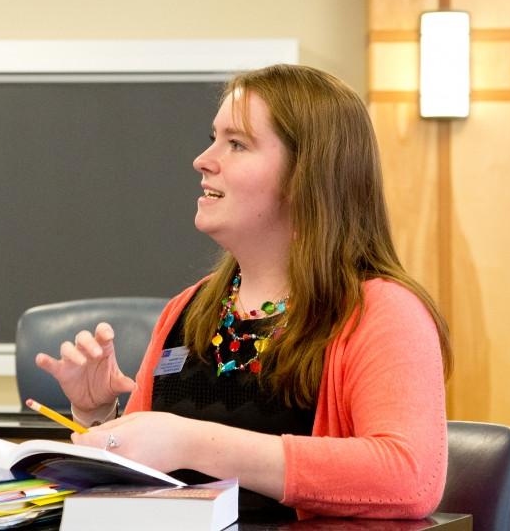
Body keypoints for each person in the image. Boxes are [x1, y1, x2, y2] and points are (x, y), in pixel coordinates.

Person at [36, 64, 452, 521]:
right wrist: (99, 416)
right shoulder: (186, 310)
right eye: (214, 138)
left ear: (305, 176)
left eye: (236, 144)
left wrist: (193, 443)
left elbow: (409, 478)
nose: (203, 159)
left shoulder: (382, 312)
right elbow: (143, 480)